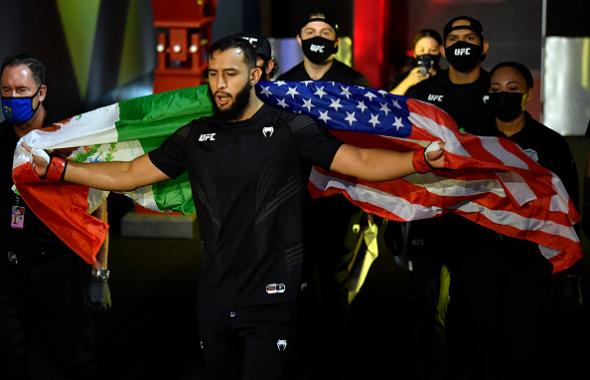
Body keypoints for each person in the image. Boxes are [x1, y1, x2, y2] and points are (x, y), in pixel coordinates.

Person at [26, 36, 446, 380]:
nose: (220, 84)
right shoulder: (194, 135)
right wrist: (62, 170)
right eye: (213, 74)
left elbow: (361, 162)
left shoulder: (290, 128)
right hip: (214, 296)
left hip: (272, 297)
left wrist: (419, 160)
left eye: (230, 74)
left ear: (256, 74)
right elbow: (127, 174)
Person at [463, 61, 580, 380]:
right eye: (496, 90)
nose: (503, 97)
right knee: (484, 344)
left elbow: (568, 203)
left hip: (531, 261)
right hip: (480, 257)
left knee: (526, 344)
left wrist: (570, 270)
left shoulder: (551, 143)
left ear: (528, 95)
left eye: (512, 90)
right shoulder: (474, 141)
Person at [0, 54, 110, 379]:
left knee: (71, 359)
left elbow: (97, 207)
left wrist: (100, 274)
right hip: (8, 272)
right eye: (5, 91)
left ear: (42, 93)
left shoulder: (68, 140)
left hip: (60, 269)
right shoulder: (0, 139)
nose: (12, 99)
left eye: (21, 90)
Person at [403, 15, 496, 378]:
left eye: (470, 37)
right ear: (443, 50)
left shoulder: (498, 88)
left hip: (483, 214)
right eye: (454, 38)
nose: (462, 43)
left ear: (484, 47)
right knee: (423, 300)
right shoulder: (423, 92)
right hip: (431, 211)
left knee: (473, 299)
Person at [277, 10, 370, 86]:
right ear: (299, 40)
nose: (318, 37)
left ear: (336, 42)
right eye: (310, 32)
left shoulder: (355, 82)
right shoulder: (284, 83)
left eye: (325, 33)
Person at [389, 28, 443, 95]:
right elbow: (387, 100)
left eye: (433, 50)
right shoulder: (402, 78)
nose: (427, 54)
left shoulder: (448, 78)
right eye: (421, 50)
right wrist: (407, 82)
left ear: (440, 52)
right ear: (414, 53)